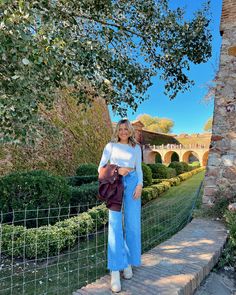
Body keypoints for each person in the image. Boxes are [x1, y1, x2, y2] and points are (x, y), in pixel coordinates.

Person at [98, 118, 143, 292]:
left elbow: (138, 169)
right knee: (115, 225)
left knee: (132, 224)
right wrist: (117, 170)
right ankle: (115, 269)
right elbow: (100, 168)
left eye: (126, 129)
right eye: (121, 129)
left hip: (133, 184)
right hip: (115, 184)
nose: (123, 131)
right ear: (117, 130)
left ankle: (128, 262)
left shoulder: (136, 148)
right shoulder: (110, 146)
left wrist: (140, 185)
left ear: (130, 131)